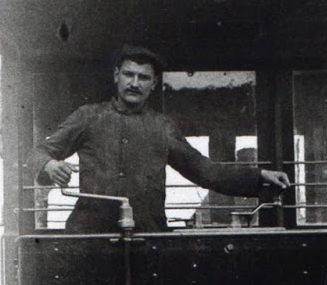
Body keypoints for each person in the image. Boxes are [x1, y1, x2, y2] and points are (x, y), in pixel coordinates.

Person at [34, 45, 291, 233]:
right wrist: (49, 165)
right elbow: (38, 153)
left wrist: (259, 176)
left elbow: (206, 172)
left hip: (147, 236)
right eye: (128, 74)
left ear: (154, 84)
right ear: (116, 76)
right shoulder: (88, 116)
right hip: (90, 237)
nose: (134, 83)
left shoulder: (162, 126)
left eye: (143, 77)